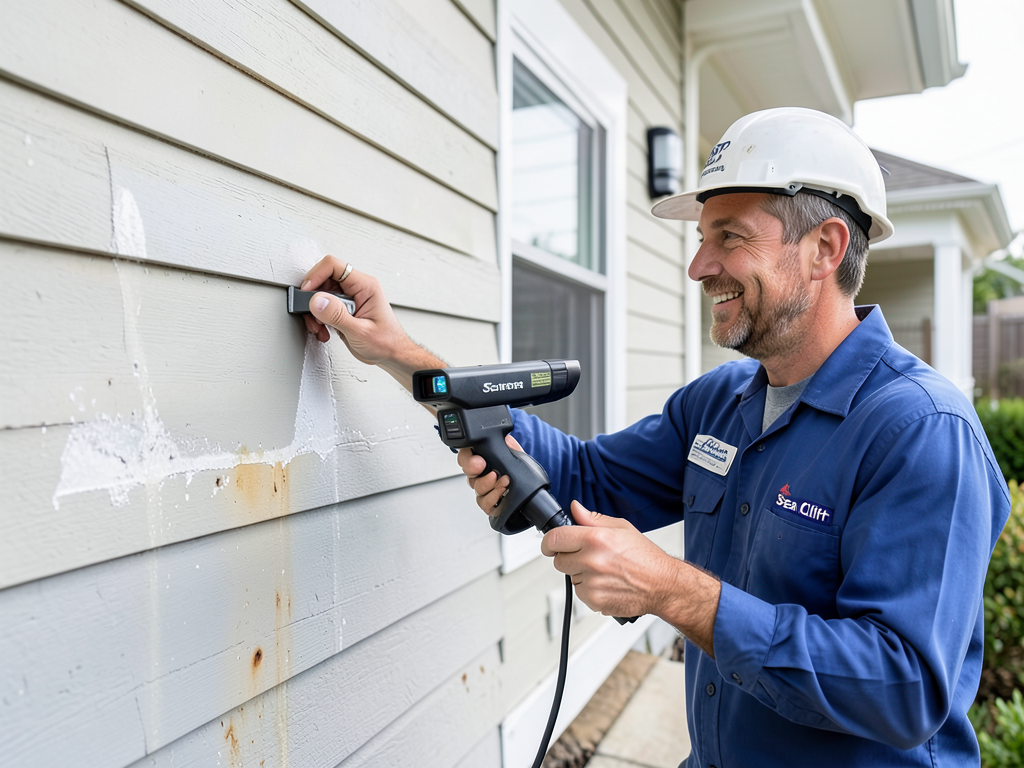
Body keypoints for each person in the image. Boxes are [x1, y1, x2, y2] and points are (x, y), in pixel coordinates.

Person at [299, 107, 1010, 767]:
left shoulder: (920, 430)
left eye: (729, 237)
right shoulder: (719, 404)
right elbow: (586, 479)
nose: (699, 267)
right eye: (702, 240)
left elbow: (904, 687)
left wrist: (671, 589)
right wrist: (399, 352)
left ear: (825, 247)